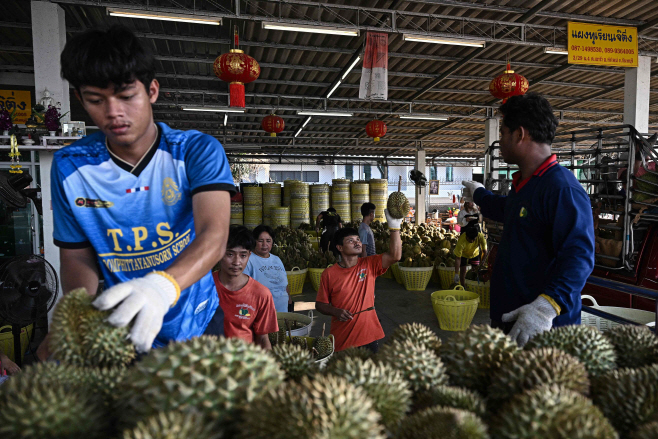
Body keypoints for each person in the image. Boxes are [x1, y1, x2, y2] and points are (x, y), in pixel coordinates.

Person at [39, 25, 234, 357]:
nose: (113, 112)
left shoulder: (195, 151)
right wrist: (81, 315)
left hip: (197, 321)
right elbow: (76, 255)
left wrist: (161, 287)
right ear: (80, 99)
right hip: (123, 327)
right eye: (96, 100)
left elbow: (213, 236)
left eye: (126, 96)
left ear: (152, 91)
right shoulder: (71, 167)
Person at [463, 93, 595, 347]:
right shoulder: (526, 184)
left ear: (520, 134)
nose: (499, 141)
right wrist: (479, 193)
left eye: (502, 133)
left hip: (543, 330)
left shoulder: (561, 188)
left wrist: (546, 307)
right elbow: (508, 209)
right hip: (512, 319)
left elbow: (578, 256)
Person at [315, 209, 402, 353]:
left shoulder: (369, 264)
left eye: (358, 240)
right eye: (351, 241)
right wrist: (335, 311)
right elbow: (320, 304)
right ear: (340, 247)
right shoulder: (329, 274)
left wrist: (394, 228)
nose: (357, 243)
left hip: (369, 334)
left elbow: (395, 256)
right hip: (342, 337)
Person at [205, 226, 278, 350]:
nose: (236, 262)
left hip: (244, 364)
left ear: (249, 255)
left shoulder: (261, 294)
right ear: (219, 253)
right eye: (230, 254)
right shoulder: (204, 287)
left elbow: (262, 339)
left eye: (243, 255)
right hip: (209, 361)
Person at [244, 225, 292, 313]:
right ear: (254, 241)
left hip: (282, 310)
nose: (265, 245)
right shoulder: (248, 260)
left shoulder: (277, 259)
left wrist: (289, 301)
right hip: (261, 312)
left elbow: (285, 283)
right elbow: (244, 289)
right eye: (260, 241)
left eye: (268, 241)